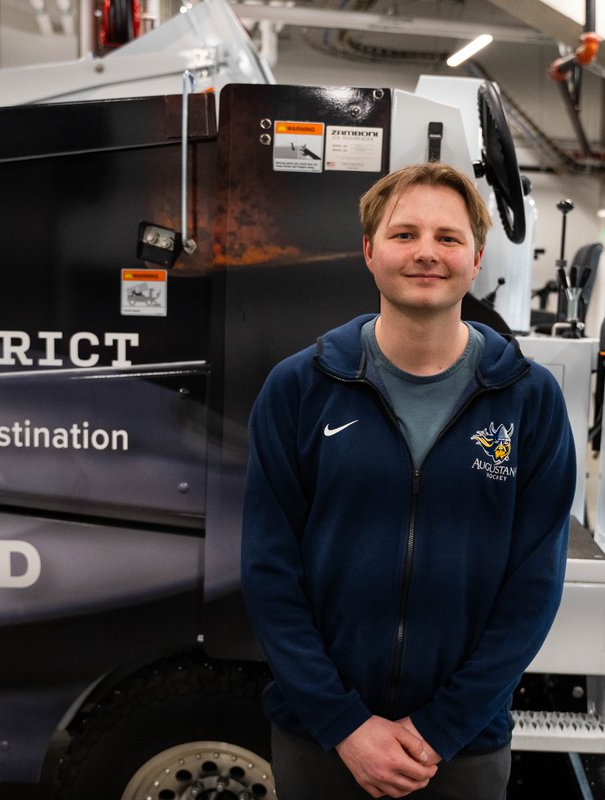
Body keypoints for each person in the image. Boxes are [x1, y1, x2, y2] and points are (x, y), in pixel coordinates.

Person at [241, 162, 575, 799]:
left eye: (448, 238)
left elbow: (534, 587)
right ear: (369, 251)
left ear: (476, 258)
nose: (427, 252)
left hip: (461, 748)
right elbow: (267, 570)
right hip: (322, 740)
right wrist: (344, 725)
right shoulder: (299, 389)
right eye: (404, 234)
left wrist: (442, 728)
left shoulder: (530, 400)